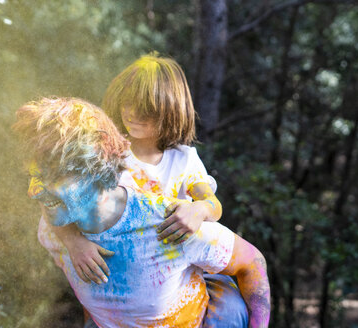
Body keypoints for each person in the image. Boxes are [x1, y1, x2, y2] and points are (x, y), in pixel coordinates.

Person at [14, 97, 270, 328]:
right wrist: (72, 241)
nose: (32, 192)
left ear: (95, 170)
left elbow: (252, 262)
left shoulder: (168, 223)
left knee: (231, 308)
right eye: (32, 176)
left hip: (203, 308)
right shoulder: (55, 229)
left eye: (53, 178)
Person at [40, 54, 248, 326]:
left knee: (232, 309)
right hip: (115, 275)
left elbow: (213, 203)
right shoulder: (105, 156)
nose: (133, 114)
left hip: (179, 273)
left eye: (146, 109)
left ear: (170, 110)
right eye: (128, 103)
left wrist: (199, 209)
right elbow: (55, 202)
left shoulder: (183, 159)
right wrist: (74, 242)